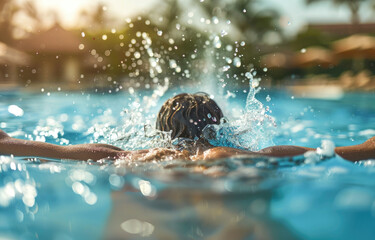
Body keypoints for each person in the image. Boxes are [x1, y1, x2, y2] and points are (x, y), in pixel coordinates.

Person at [0, 93, 374, 162]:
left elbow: (81, 152)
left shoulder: (147, 153)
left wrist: (8, 142)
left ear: (161, 130)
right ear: (220, 126)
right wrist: (362, 149)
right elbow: (282, 153)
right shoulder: (225, 151)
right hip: (226, 186)